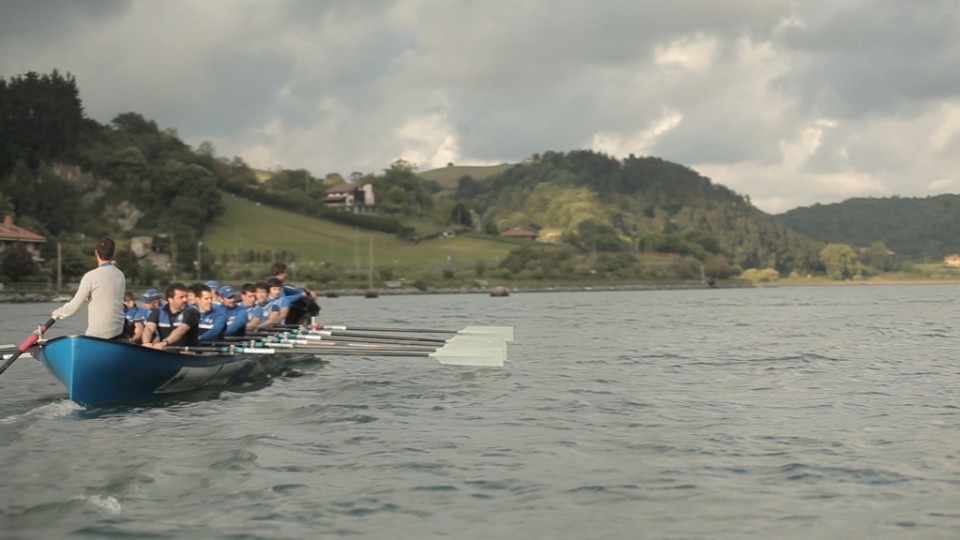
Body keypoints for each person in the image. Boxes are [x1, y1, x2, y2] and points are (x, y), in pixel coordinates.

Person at [52, 237, 126, 339]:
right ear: (112, 254)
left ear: (96, 252)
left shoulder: (91, 276)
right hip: (118, 330)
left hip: (98, 334)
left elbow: (74, 307)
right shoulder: (120, 275)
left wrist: (57, 313)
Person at [142, 282, 200, 349]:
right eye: (181, 297)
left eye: (186, 296)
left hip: (188, 353)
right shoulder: (158, 311)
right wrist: (146, 342)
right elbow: (149, 328)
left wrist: (164, 343)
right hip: (166, 351)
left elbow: (181, 330)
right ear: (170, 300)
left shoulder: (191, 312)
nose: (185, 300)